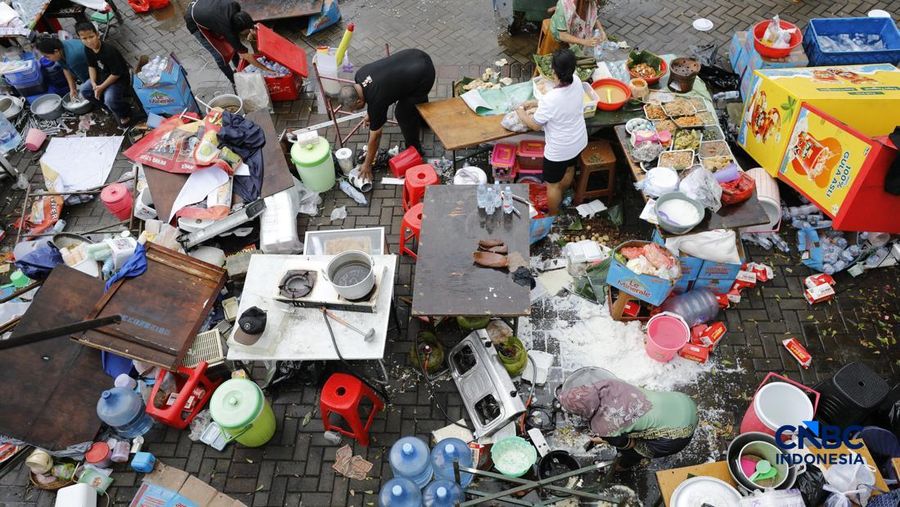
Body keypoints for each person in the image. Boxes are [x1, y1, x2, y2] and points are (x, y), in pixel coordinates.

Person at [337, 48, 436, 183]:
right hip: (415, 55)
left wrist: (367, 165)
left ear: (359, 101)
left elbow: (375, 137)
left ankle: (415, 148)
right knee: (411, 101)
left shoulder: (376, 101)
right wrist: (371, 114)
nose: (355, 111)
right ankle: (424, 119)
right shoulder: (360, 76)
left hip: (424, 74)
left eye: (355, 108)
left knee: (403, 113)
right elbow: (375, 92)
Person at [559, 378, 698, 467]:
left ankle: (624, 466)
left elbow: (628, 444)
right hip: (682, 402)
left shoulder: (605, 427)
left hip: (678, 435)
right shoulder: (609, 384)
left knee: (633, 451)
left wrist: (606, 440)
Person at [516, 48, 587, 215]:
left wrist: (520, 111)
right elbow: (559, 104)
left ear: (554, 72)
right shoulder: (576, 81)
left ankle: (553, 215)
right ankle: (562, 193)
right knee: (569, 169)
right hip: (578, 141)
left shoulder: (551, 99)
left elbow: (535, 125)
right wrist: (536, 103)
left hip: (559, 150)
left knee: (552, 184)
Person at [184, 0, 269, 83]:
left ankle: (238, 66)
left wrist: (252, 28)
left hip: (205, 8)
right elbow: (245, 55)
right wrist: (266, 69)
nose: (247, 33)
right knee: (219, 55)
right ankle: (234, 80)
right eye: (245, 31)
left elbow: (240, 32)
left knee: (234, 46)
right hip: (194, 21)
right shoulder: (227, 29)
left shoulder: (235, 5)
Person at [76, 22, 135, 126]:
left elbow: (116, 74)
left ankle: (125, 112)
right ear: (80, 38)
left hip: (118, 80)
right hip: (101, 76)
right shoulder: (88, 49)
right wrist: (94, 83)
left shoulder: (109, 51)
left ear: (98, 34)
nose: (89, 41)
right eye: (84, 38)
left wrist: (101, 87)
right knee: (84, 90)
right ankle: (108, 108)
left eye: (91, 37)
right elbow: (91, 66)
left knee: (110, 99)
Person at [35, 37, 90, 101]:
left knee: (85, 89)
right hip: (81, 66)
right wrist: (72, 89)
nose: (47, 59)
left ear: (56, 51)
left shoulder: (73, 59)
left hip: (98, 69)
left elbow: (86, 79)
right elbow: (65, 68)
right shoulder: (60, 48)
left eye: (47, 56)